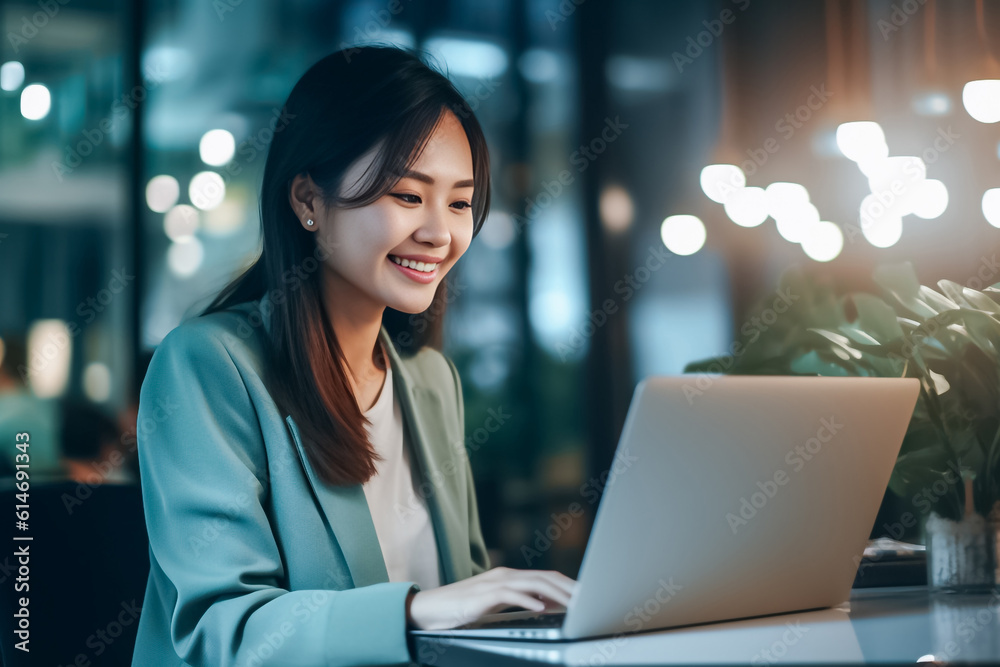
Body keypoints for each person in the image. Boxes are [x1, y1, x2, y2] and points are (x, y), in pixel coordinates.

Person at [131, 45, 576, 667]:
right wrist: (416, 608)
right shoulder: (208, 366)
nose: (440, 233)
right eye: (406, 194)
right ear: (309, 201)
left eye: (459, 201)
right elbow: (221, 631)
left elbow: (467, 598)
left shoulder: (429, 381)